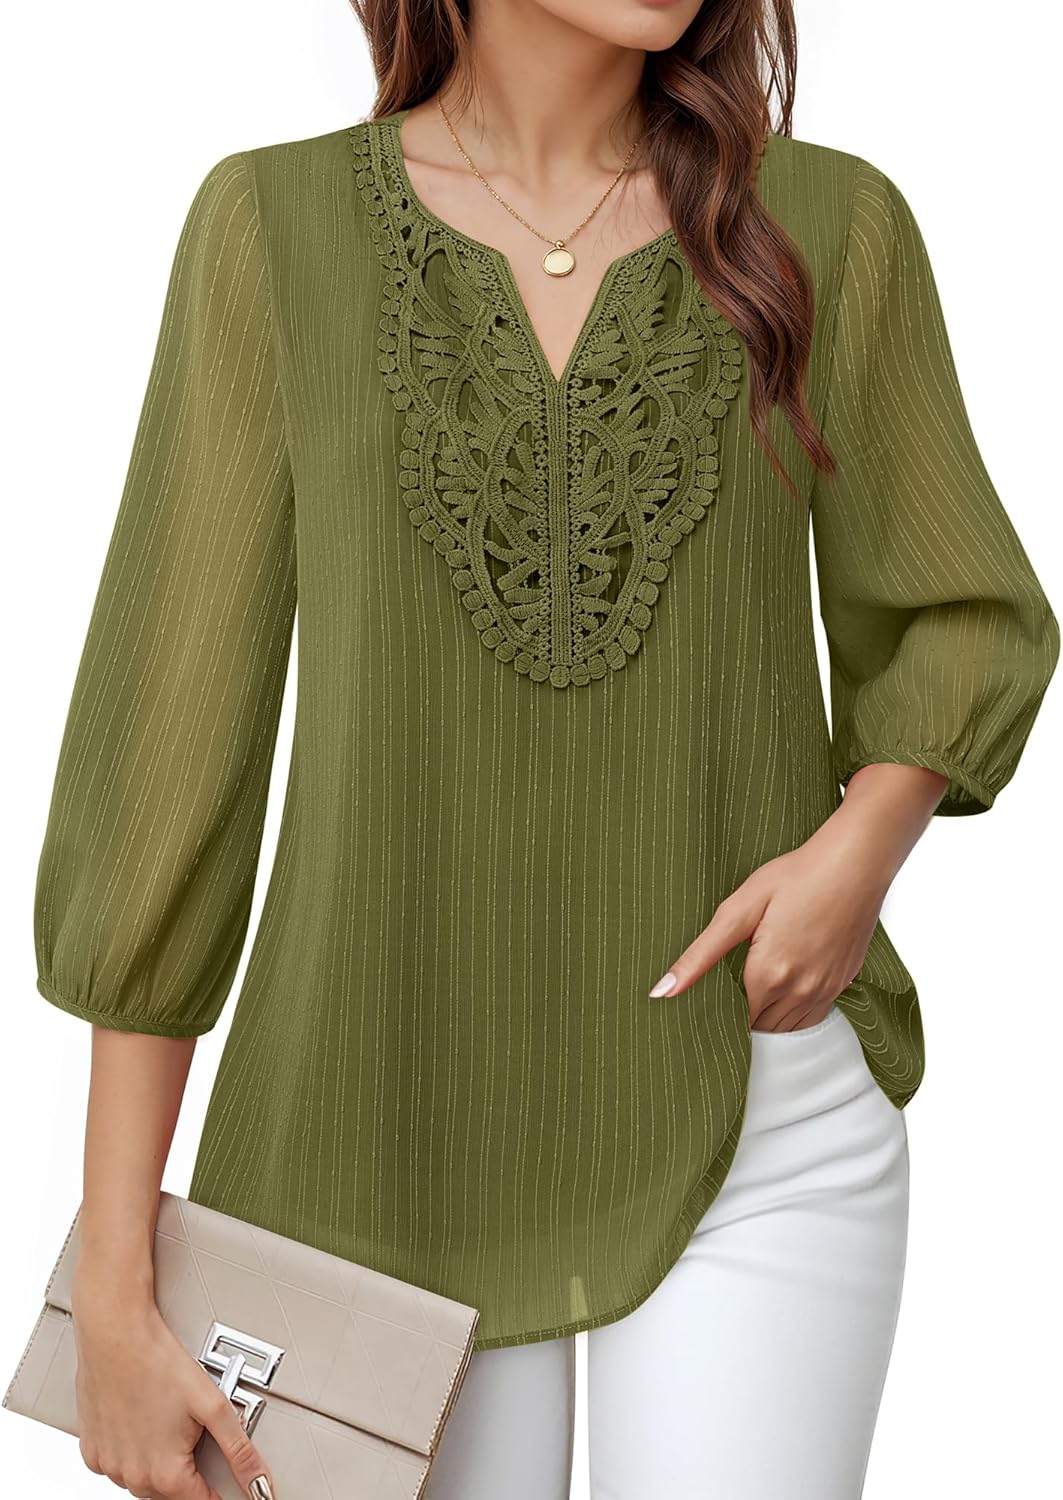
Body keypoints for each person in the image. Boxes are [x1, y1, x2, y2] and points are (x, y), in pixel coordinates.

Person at [29, 1, 1058, 1497]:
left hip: (752, 1110)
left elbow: (959, 608)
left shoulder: (831, 226)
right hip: (377, 1136)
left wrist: (864, 844)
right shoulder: (273, 229)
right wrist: (115, 1282)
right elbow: (168, 755)